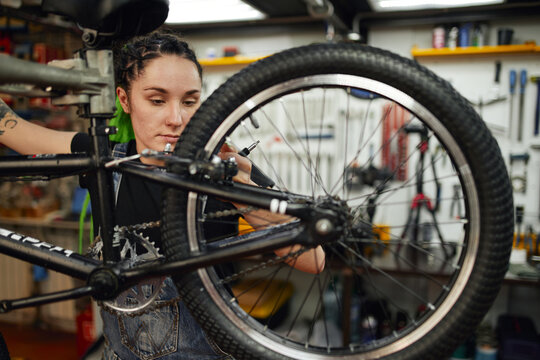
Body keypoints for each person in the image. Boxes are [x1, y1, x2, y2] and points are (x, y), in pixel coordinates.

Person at [0, 30, 324, 359]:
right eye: (157, 100)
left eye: (189, 101)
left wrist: (239, 183)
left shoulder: (222, 166)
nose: (176, 118)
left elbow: (314, 259)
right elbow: (13, 129)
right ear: (124, 101)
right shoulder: (101, 158)